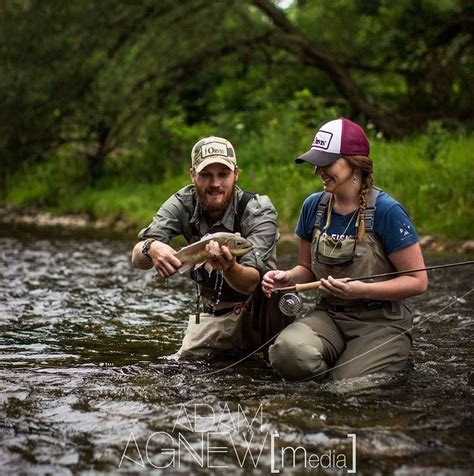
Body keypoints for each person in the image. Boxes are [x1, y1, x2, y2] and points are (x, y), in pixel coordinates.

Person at [262, 118, 428, 381]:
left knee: (347, 387)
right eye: (316, 163)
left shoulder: (387, 211)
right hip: (329, 315)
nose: (318, 171)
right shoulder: (313, 207)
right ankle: (338, 365)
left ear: (355, 164)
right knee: (286, 354)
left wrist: (363, 290)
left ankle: (367, 363)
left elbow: (418, 281)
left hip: (381, 322)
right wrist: (288, 277)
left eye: (326, 163)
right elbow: (306, 269)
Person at [132, 136, 279, 359]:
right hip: (215, 315)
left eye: (223, 174)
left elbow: (250, 283)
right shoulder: (181, 203)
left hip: (263, 314)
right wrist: (151, 248)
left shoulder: (258, 210)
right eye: (205, 175)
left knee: (282, 365)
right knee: (182, 366)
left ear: (236, 174)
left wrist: (229, 267)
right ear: (192, 175)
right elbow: (137, 258)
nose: (215, 184)